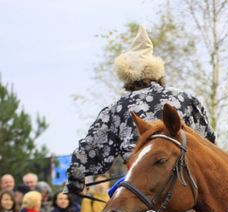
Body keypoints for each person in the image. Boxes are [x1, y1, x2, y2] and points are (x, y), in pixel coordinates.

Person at [66, 25, 216, 195]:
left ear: (126, 76)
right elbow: (209, 143)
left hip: (139, 187)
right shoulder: (187, 99)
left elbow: (91, 149)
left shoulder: (118, 108)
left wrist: (75, 179)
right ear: (158, 73)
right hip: (185, 186)